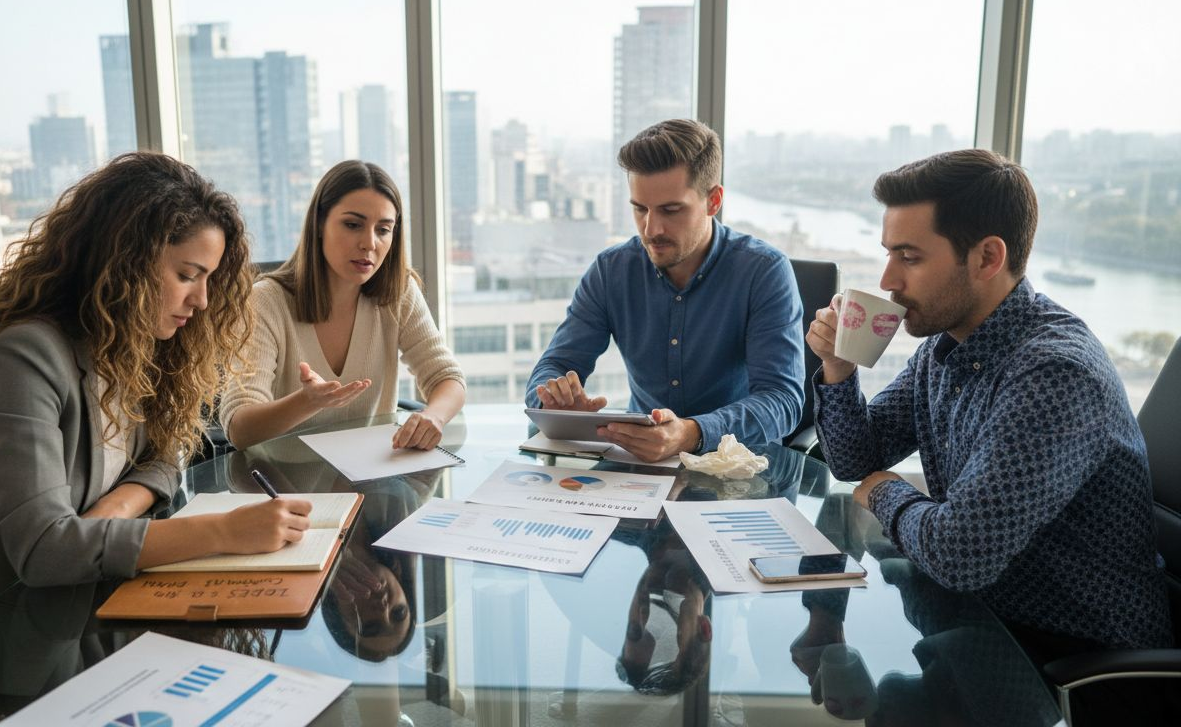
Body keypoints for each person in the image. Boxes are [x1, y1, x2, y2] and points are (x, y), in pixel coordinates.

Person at [806, 149, 1174, 721]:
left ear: (987, 257)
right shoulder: (944, 346)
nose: (888, 280)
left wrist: (885, 492)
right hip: (983, 620)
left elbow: (960, 554)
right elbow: (855, 457)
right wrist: (839, 367)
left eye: (909, 256)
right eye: (888, 254)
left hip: (1072, 664)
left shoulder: (1055, 373)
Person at [0, 153, 314, 637]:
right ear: (125, 262)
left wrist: (114, 511)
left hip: (71, 613)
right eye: (187, 275)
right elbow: (44, 550)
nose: (203, 300)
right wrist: (223, 532)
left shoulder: (126, 341)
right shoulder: (22, 357)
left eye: (208, 279)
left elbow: (166, 455)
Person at [526, 119, 804, 462]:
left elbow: (782, 400)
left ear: (713, 200)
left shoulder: (764, 272)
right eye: (639, 208)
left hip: (739, 471)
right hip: (640, 471)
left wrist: (690, 433)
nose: (651, 229)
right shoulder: (611, 270)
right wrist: (556, 403)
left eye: (671, 210)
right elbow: (555, 364)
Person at [220, 160, 465, 450]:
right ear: (320, 224)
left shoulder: (398, 293)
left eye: (383, 230)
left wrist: (432, 417)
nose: (369, 244)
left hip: (375, 481)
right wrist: (307, 401)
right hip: (287, 485)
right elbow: (240, 428)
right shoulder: (265, 301)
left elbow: (447, 377)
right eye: (353, 225)